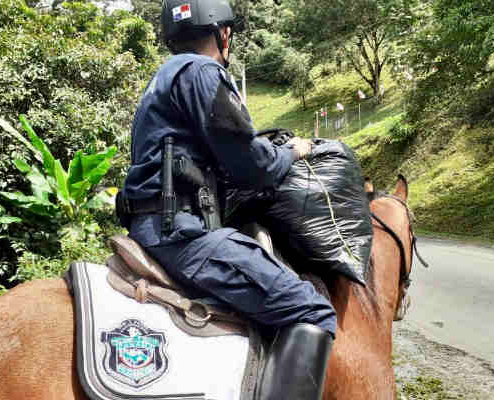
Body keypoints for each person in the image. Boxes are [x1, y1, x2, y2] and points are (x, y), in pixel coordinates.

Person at [119, 0, 336, 398]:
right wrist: (292, 152)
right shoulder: (202, 72)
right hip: (182, 233)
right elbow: (252, 165)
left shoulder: (164, 77)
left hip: (153, 222)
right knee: (312, 310)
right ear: (223, 33)